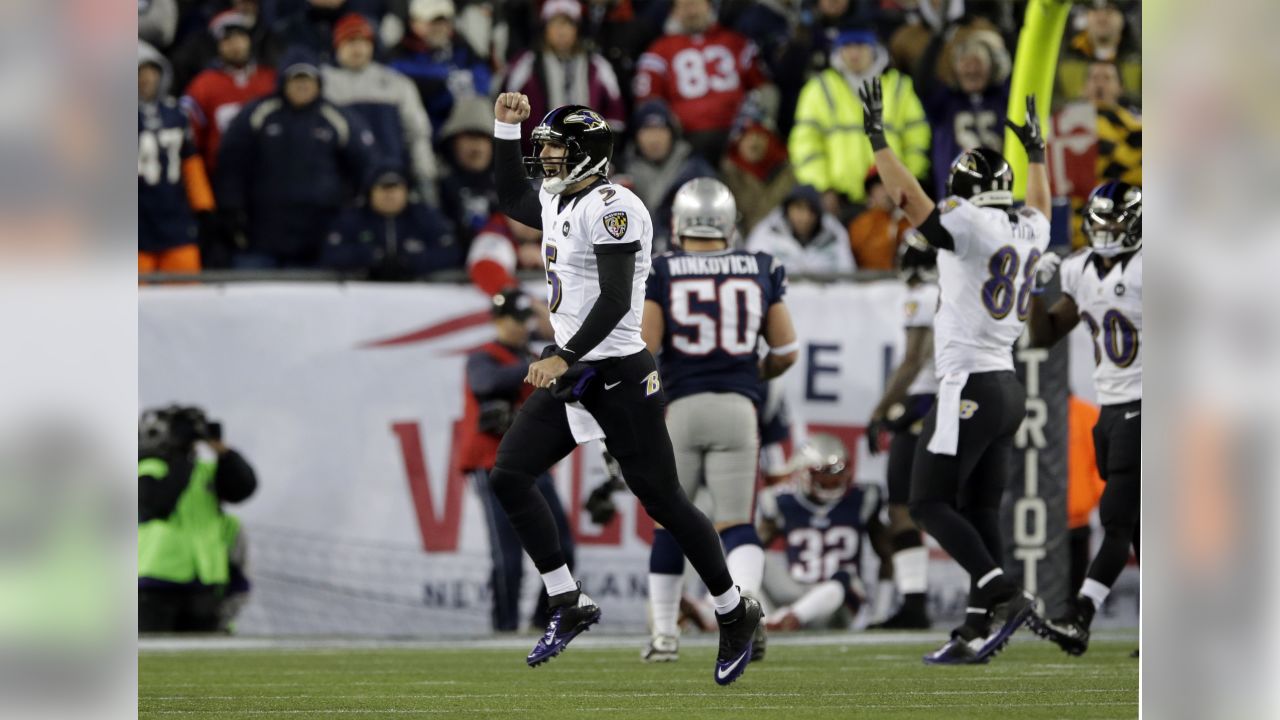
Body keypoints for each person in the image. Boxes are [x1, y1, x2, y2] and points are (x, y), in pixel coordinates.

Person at [489, 92, 761, 685]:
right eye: (545, 150)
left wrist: (563, 354)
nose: (548, 160)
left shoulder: (615, 205)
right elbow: (511, 196)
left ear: (586, 153)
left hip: (616, 375)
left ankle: (733, 610)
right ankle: (567, 600)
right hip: (577, 373)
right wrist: (505, 130)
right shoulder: (562, 198)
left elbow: (615, 300)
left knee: (663, 501)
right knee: (507, 474)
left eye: (555, 149)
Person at [860, 77, 1050, 664]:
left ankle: (1001, 593)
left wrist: (877, 138)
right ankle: (972, 627)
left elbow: (909, 201)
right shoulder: (1029, 226)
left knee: (926, 503)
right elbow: (1042, 205)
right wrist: (1039, 156)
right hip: (1007, 386)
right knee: (979, 507)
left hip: (967, 382)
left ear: (965, 190)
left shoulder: (968, 222)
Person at [639, 177, 799, 664]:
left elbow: (645, 350)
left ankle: (665, 636)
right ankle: (746, 613)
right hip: (737, 407)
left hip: (682, 408)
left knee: (670, 525)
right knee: (736, 525)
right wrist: (754, 372)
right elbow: (787, 350)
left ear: (679, 223)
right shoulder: (760, 266)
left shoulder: (663, 269)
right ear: (729, 225)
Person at [1026, 181, 1142, 656]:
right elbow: (1043, 336)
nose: (1107, 231)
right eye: (1100, 223)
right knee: (1138, 528)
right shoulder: (1077, 269)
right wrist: (1033, 289)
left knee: (1114, 519)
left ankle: (1080, 615)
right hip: (1111, 408)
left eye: (1116, 222)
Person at [460, 288, 577, 633]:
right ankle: (504, 627)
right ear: (498, 320)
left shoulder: (532, 355)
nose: (521, 327)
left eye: (525, 320)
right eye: (515, 320)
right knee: (507, 556)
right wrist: (537, 366)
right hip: (490, 463)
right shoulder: (484, 356)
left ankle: (541, 622)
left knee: (563, 547)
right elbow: (485, 383)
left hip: (533, 464)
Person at [215, 48, 376, 268]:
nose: (302, 86)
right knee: (256, 295)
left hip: (321, 230)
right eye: (296, 79)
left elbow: (366, 165)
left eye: (308, 79)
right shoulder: (258, 113)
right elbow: (231, 163)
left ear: (319, 83)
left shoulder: (337, 117)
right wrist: (231, 207)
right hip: (264, 228)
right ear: (283, 82)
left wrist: (354, 211)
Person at [864, 239, 941, 630]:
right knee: (935, 506)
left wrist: (879, 412)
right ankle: (919, 602)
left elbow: (913, 361)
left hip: (924, 404)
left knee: (903, 504)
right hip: (946, 401)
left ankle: (915, 601)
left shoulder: (921, 296)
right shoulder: (947, 291)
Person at [789, 26, 929, 219]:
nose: (854, 53)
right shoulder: (820, 88)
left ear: (873, 48)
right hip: (839, 203)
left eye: (860, 45)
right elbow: (805, 143)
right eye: (847, 46)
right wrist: (821, 188)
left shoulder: (899, 86)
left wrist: (905, 184)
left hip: (893, 201)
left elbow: (917, 139)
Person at [139, 406, 257, 633]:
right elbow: (156, 504)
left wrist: (221, 449)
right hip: (153, 584)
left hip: (205, 584)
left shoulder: (206, 471)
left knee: (203, 661)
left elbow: (244, 486)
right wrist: (179, 454)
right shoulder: (147, 468)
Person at [757, 434, 884, 631]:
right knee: (748, 555)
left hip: (838, 605)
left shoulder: (862, 499)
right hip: (795, 592)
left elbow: (888, 555)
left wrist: (880, 614)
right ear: (804, 474)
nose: (831, 480)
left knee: (845, 577)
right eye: (823, 474)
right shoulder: (783, 502)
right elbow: (755, 546)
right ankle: (762, 620)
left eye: (837, 473)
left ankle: (787, 619)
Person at [632, 0, 771, 164]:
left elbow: (764, 88)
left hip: (737, 134)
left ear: (709, 5)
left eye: (695, 4)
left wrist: (757, 124)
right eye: (683, 6)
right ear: (673, 12)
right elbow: (648, 101)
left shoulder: (736, 42)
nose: (691, 12)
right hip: (687, 141)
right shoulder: (659, 50)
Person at [323, 12, 441, 206]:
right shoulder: (325, 84)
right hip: (343, 183)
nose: (357, 48)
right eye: (350, 41)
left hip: (391, 180)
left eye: (363, 41)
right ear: (337, 46)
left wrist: (425, 174)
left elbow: (417, 132)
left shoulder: (396, 83)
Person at [139, 41, 214, 274]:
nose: (146, 79)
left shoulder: (175, 114)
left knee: (183, 296)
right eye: (139, 72)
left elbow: (190, 161)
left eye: (152, 72)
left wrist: (203, 206)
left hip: (174, 213)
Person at [503, 0, 626, 142]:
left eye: (567, 24)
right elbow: (506, 105)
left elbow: (615, 112)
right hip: (537, 152)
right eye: (554, 24)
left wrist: (603, 146)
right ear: (545, 28)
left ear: (577, 29)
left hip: (585, 154)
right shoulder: (526, 64)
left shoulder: (597, 65)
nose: (561, 31)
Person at [319, 164, 462, 279]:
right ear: (370, 193)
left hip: (417, 293)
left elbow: (450, 252)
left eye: (395, 188)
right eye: (383, 188)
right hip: (362, 292)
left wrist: (409, 261)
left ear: (406, 191)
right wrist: (373, 258)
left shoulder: (424, 216)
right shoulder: (353, 218)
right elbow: (332, 253)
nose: (390, 194)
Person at [181, 10, 277, 174]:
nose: (235, 45)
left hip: (268, 175)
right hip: (222, 174)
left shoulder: (270, 79)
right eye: (227, 40)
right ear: (218, 46)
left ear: (249, 40)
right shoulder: (203, 85)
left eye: (240, 37)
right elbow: (191, 142)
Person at [614, 100, 716, 252]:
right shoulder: (621, 177)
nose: (654, 139)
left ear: (672, 133)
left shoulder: (695, 172)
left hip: (686, 258)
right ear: (635, 136)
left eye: (660, 130)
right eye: (647, 130)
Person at [389, 0, 493, 143]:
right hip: (428, 133)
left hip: (464, 128)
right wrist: (450, 82)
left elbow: (483, 79)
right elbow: (420, 88)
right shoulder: (400, 55)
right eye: (432, 22)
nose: (439, 28)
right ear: (414, 23)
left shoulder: (461, 47)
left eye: (444, 22)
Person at [719, 101, 795, 235]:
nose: (753, 143)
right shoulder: (726, 176)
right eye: (747, 136)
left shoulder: (789, 173)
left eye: (759, 135)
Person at [745, 184, 855, 274]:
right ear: (787, 209)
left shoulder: (834, 235)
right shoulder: (767, 234)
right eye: (798, 208)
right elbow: (753, 274)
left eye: (811, 210)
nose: (805, 217)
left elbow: (847, 275)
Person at [1055, 0, 1141, 110]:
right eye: (1095, 10)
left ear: (1122, 18)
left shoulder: (1141, 59)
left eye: (1109, 11)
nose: (1102, 16)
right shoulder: (1062, 58)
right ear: (1086, 17)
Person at [438, 96, 501, 244]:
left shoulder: (509, 187)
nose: (476, 147)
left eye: (482, 138)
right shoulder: (436, 186)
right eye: (469, 137)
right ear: (452, 144)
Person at [846, 169, 913, 270]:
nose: (887, 191)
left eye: (891, 185)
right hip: (871, 283)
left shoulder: (910, 222)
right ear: (870, 193)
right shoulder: (860, 225)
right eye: (880, 186)